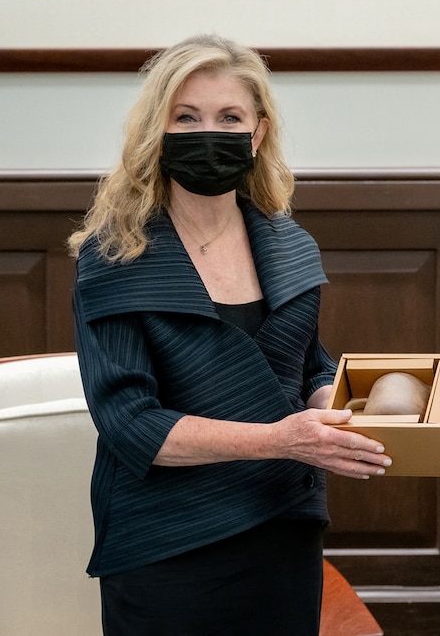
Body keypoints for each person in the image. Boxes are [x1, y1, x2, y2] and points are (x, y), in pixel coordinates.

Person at [67, 34, 392, 635]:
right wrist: (281, 439)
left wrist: (335, 403)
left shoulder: (289, 243)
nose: (206, 133)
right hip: (167, 544)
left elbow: (310, 367)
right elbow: (130, 424)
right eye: (186, 117)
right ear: (155, 132)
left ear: (258, 133)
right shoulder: (112, 256)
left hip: (282, 532)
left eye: (229, 117)